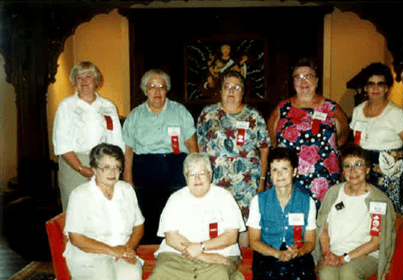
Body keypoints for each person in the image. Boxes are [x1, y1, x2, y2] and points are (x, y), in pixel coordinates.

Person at [137, 153, 248, 280]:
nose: (197, 179)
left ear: (210, 175)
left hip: (220, 253)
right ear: (185, 177)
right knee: (161, 275)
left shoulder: (224, 197)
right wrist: (201, 253)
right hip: (178, 254)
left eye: (202, 173)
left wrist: (201, 246)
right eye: (192, 174)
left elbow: (231, 236)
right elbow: (171, 238)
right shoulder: (175, 199)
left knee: (219, 276)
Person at [313, 144, 396, 280]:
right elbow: (323, 228)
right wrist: (328, 253)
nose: (353, 171)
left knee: (348, 273)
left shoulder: (377, 201)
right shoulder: (334, 193)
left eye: (358, 165)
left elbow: (375, 242)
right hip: (335, 252)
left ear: (367, 169)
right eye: (347, 166)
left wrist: (344, 258)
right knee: (326, 273)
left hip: (366, 256)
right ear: (342, 171)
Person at [63, 143, 144, 280]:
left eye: (117, 167)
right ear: (93, 168)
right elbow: (76, 238)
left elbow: (139, 225)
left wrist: (128, 248)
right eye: (106, 167)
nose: (113, 173)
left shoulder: (127, 190)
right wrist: (111, 250)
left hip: (120, 251)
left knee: (131, 277)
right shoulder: (80, 195)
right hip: (89, 253)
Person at [123, 69, 198, 243]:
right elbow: (128, 151)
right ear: (145, 90)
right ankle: (150, 255)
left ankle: (177, 253)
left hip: (175, 168)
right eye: (152, 87)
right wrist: (128, 180)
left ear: (167, 90)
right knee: (147, 217)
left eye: (161, 87)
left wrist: (194, 174)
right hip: (145, 170)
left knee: (176, 215)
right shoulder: (135, 116)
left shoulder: (180, 112)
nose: (157, 91)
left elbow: (192, 146)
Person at [267, 58, 349, 209]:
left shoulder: (331, 108)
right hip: (287, 179)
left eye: (309, 76)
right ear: (293, 82)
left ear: (317, 80)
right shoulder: (281, 108)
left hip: (323, 179)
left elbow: (342, 138)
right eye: (298, 77)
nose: (303, 81)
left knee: (321, 224)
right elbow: (272, 141)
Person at [247, 147, 319, 280]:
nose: (279, 175)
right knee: (275, 273)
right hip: (268, 253)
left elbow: (310, 242)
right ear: (270, 174)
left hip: (297, 253)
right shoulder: (258, 201)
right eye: (274, 170)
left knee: (297, 276)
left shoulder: (307, 202)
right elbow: (254, 242)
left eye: (284, 169)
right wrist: (277, 254)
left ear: (294, 172)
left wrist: (297, 252)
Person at [197, 71, 270, 229]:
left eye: (236, 88)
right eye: (227, 87)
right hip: (215, 182)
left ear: (243, 92)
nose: (231, 91)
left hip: (247, 183)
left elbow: (264, 149)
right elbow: (198, 147)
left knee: (244, 225)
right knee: (217, 222)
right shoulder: (207, 114)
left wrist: (262, 180)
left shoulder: (254, 116)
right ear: (221, 90)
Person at [350, 62, 403, 219]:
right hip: (363, 172)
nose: (375, 89)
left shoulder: (396, 114)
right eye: (371, 84)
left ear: (387, 88)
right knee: (363, 217)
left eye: (380, 84)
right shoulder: (358, 111)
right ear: (365, 88)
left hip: (388, 176)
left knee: (388, 220)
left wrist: (397, 162)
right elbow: (356, 142)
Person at [53, 61, 124, 211]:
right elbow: (62, 142)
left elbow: (116, 141)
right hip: (75, 165)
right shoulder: (66, 106)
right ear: (74, 81)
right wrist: (80, 168)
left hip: (104, 164)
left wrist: (112, 167)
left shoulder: (108, 106)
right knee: (76, 211)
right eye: (79, 77)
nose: (84, 81)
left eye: (89, 76)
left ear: (96, 80)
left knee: (103, 209)